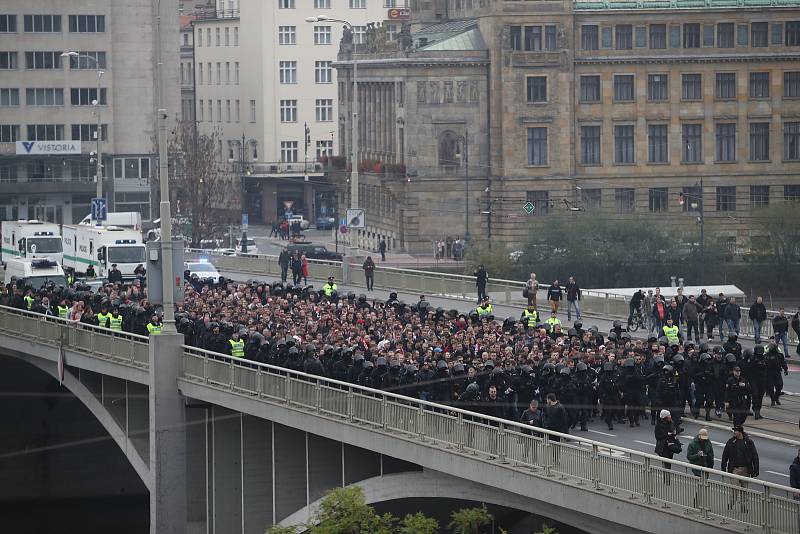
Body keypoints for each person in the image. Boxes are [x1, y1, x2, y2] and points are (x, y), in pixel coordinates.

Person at [721, 426, 759, 510]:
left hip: (746, 469)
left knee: (744, 488)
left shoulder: (748, 442)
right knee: (734, 487)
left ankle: (743, 505)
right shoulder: (731, 442)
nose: (734, 432)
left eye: (736, 431)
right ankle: (732, 502)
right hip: (734, 469)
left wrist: (756, 468)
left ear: (740, 432)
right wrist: (723, 468)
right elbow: (725, 455)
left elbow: (754, 455)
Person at [655, 409, 680, 481]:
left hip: (671, 446)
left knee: (669, 462)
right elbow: (658, 436)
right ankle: (666, 478)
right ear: (665, 417)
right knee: (665, 463)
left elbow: (674, 431)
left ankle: (667, 477)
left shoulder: (671, 423)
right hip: (663, 447)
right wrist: (667, 434)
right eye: (668, 415)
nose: (670, 416)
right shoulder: (659, 425)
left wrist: (674, 433)